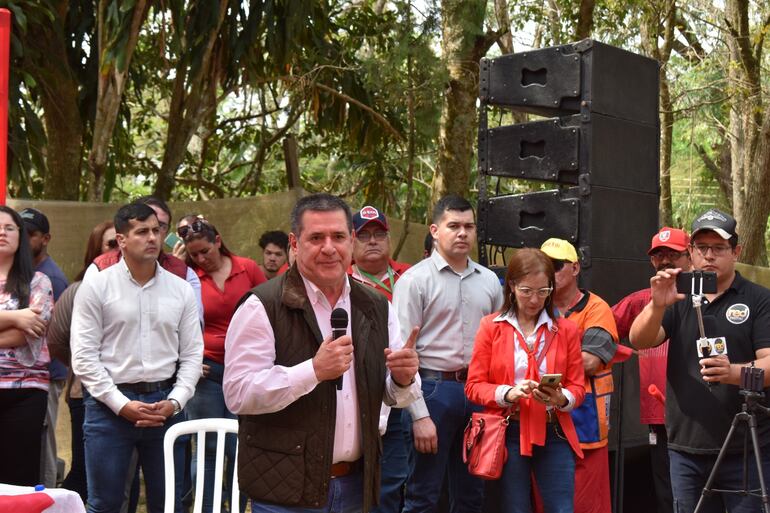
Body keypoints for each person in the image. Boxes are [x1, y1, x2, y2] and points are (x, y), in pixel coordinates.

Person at [222, 193, 421, 513]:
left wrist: (402, 379)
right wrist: (312, 371)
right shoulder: (263, 305)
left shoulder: (376, 307)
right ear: (295, 243)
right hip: (286, 489)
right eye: (316, 237)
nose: (329, 247)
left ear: (352, 241)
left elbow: (393, 396)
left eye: (339, 236)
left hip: (358, 485)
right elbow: (239, 393)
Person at [630, 208, 770, 513]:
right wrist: (656, 305)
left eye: (718, 248)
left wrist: (734, 372)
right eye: (701, 248)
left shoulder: (758, 299)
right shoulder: (678, 295)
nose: (709, 256)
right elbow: (639, 340)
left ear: (736, 252)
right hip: (685, 449)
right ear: (691, 253)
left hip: (744, 448)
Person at [71, 203, 203, 513]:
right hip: (108, 407)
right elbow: (84, 356)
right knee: (105, 504)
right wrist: (121, 405)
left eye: (156, 230)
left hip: (165, 404)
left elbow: (193, 353)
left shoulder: (181, 290)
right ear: (121, 240)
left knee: (168, 505)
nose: (153, 238)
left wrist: (176, 401)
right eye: (142, 231)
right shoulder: (97, 286)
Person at [392, 194, 503, 513]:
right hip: (431, 390)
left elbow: (498, 344)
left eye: (468, 226)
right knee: (422, 496)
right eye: (453, 226)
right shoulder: (414, 281)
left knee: (472, 495)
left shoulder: (490, 282)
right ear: (435, 230)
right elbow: (403, 356)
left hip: (478, 393)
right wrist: (420, 415)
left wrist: (494, 403)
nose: (462, 233)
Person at [465, 248, 585, 513]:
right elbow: (473, 386)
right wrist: (509, 392)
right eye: (526, 291)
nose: (535, 300)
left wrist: (561, 398)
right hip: (509, 431)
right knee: (515, 508)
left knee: (562, 509)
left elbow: (578, 386)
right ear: (511, 286)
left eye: (543, 291)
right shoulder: (491, 327)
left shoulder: (565, 329)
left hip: (554, 430)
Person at [181, 218, 265, 513]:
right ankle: (206, 509)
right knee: (206, 447)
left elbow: (269, 309)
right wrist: (188, 358)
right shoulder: (189, 277)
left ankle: (237, 507)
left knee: (238, 446)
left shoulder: (248, 268)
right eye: (194, 255)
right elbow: (178, 321)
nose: (201, 259)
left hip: (245, 370)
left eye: (205, 251)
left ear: (218, 241)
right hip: (208, 370)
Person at [539, 238, 622, 513]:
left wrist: (538, 362)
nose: (549, 273)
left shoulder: (597, 308)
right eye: (543, 266)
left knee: (586, 503)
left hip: (584, 423)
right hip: (540, 421)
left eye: (556, 266)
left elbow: (589, 361)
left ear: (575, 268)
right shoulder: (535, 305)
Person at [611, 227, 691, 513]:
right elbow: (601, 327)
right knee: (666, 489)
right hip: (658, 413)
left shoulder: (711, 295)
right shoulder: (641, 300)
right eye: (659, 255)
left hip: (701, 415)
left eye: (673, 254)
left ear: (690, 255)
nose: (666, 261)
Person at [346, 206, 411, 513]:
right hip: (353, 396)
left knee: (394, 480)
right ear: (350, 241)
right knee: (352, 481)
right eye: (363, 235)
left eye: (379, 234)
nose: (372, 241)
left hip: (401, 392)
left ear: (389, 238)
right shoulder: (339, 280)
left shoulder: (409, 277)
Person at [47, 220, 116, 501]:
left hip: (131, 396)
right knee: (85, 473)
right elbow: (57, 341)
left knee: (119, 475)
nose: (120, 249)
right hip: (84, 394)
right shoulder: (78, 290)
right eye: (111, 244)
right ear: (95, 251)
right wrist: (82, 368)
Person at [0, 206, 54, 486]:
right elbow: (19, 326)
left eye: (10, 227)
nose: (2, 232)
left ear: (20, 236)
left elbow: (27, 335)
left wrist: (22, 324)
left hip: (25, 393)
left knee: (19, 479)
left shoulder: (39, 281)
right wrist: (14, 317)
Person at [20, 207, 69, 487]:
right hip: (18, 377)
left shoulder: (51, 278)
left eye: (31, 234)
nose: (25, 239)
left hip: (46, 375)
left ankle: (48, 497)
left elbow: (44, 332)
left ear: (46, 238)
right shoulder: (20, 272)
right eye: (21, 232)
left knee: (43, 447)